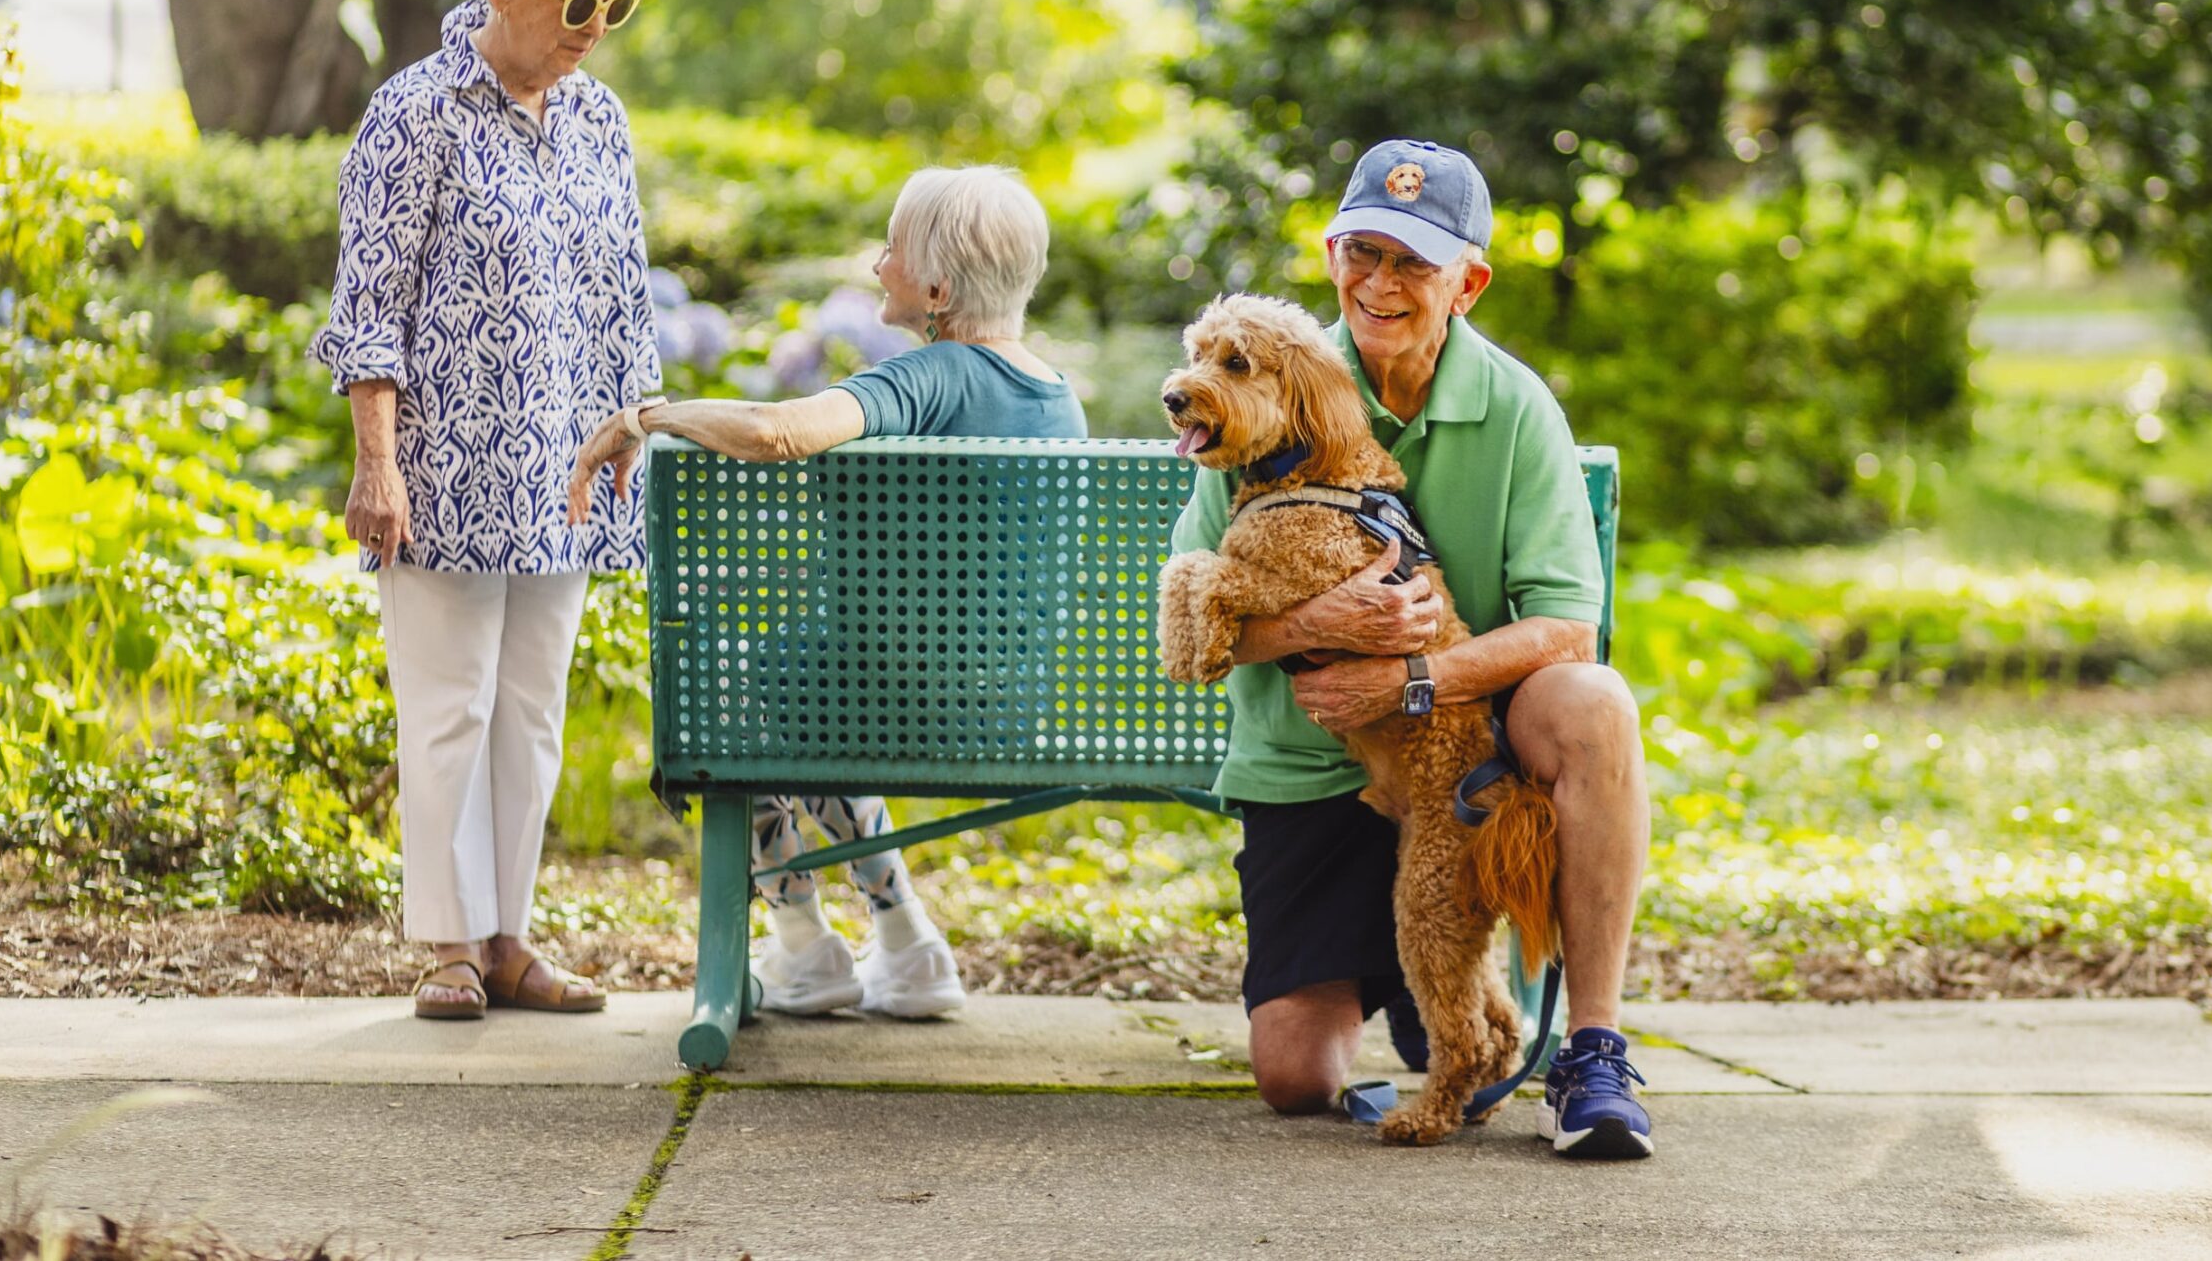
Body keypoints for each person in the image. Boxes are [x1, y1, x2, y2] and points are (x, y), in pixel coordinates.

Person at [1168, 139, 1656, 1159]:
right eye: (1363, 254)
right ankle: (1411, 986)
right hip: (1310, 760)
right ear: (1333, 253)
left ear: (1466, 284)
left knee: (1596, 699)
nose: (1380, 285)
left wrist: (1413, 676)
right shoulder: (1260, 379)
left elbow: (1567, 622)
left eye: (1414, 265)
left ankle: (1593, 1051)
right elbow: (1200, 627)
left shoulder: (1516, 406)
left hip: (1465, 752)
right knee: (1295, 1079)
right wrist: (1319, 627)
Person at [570, 165, 1087, 1019]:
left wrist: (642, 418)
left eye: (892, 247)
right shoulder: (1058, 398)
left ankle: (806, 941)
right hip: (1007, 707)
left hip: (897, 706)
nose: (878, 262)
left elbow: (779, 431)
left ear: (937, 287)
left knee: (726, 679)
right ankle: (905, 940)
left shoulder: (931, 377)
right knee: (817, 680)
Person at [309, 0, 655, 1022]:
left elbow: (623, 296)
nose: (595, 34)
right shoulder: (416, 112)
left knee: (533, 710)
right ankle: (447, 943)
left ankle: (510, 936)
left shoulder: (599, 119)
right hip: (447, 465)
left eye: (616, 9)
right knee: (448, 706)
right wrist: (377, 458)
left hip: (566, 464)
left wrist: (633, 430)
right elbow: (371, 306)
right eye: (576, 8)